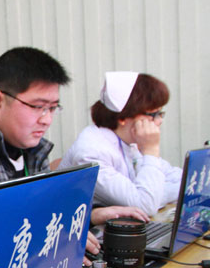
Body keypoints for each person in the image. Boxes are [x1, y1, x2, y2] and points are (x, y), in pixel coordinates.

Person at [0, 48, 143, 268]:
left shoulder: (30, 148)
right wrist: (55, 237)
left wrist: (89, 217)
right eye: (38, 107)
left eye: (53, 108)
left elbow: (44, 212)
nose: (47, 120)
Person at [58, 72, 182, 216]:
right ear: (123, 117)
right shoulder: (92, 152)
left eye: (161, 113)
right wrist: (151, 151)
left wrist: (157, 193)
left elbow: (183, 181)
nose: (159, 121)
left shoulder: (130, 141)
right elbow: (146, 205)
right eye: (153, 115)